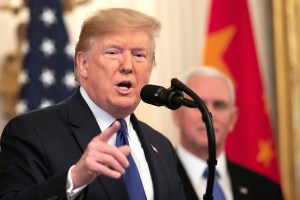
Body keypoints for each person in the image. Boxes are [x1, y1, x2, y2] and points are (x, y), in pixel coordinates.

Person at [0, 8, 185, 200]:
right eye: (113, 53)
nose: (128, 66)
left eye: (139, 55)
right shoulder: (31, 132)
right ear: (83, 64)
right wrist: (74, 179)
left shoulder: (162, 146)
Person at [172, 66, 284, 200]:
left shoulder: (267, 190)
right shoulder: (155, 181)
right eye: (197, 105)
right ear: (176, 115)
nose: (209, 115)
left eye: (219, 105)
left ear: (233, 118)